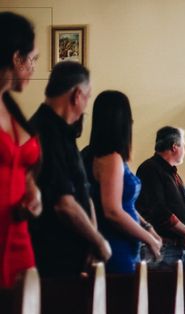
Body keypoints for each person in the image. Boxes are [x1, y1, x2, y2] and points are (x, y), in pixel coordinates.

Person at [29, 61, 111, 276]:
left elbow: (82, 191)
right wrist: (100, 242)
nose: (85, 106)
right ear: (76, 95)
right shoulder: (45, 131)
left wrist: (92, 236)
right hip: (53, 258)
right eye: (87, 97)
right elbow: (63, 204)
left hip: (73, 256)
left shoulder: (64, 132)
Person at [83, 90, 162, 273]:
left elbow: (125, 204)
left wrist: (147, 226)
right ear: (122, 121)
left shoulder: (95, 154)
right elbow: (113, 211)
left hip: (123, 243)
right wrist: (149, 239)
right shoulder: (111, 158)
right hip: (116, 245)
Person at [0, 12, 42, 288]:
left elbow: (23, 171)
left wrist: (33, 193)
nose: (34, 68)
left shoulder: (12, 110)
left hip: (19, 235)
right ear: (16, 58)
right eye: (33, 59)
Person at [136, 126, 185, 269]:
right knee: (162, 290)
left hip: (180, 248)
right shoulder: (150, 169)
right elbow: (158, 211)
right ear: (174, 147)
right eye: (183, 146)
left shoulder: (173, 174)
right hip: (163, 248)